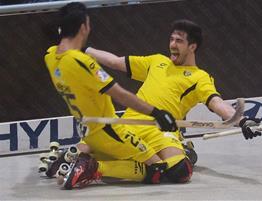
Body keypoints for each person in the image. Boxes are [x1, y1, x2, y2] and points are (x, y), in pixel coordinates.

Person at [44, 2, 183, 190]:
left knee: (128, 157)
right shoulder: (82, 61)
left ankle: (76, 160)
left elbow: (55, 47)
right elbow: (120, 94)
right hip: (109, 129)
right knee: (158, 170)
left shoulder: (51, 56)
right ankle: (95, 168)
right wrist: (157, 113)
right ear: (83, 27)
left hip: (87, 130)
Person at [85, 19, 262, 142]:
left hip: (160, 131)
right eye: (171, 39)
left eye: (179, 41)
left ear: (192, 47)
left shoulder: (200, 77)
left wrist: (241, 120)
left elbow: (216, 103)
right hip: (130, 123)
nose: (172, 45)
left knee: (178, 169)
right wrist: (82, 49)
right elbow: (114, 61)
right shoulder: (156, 61)